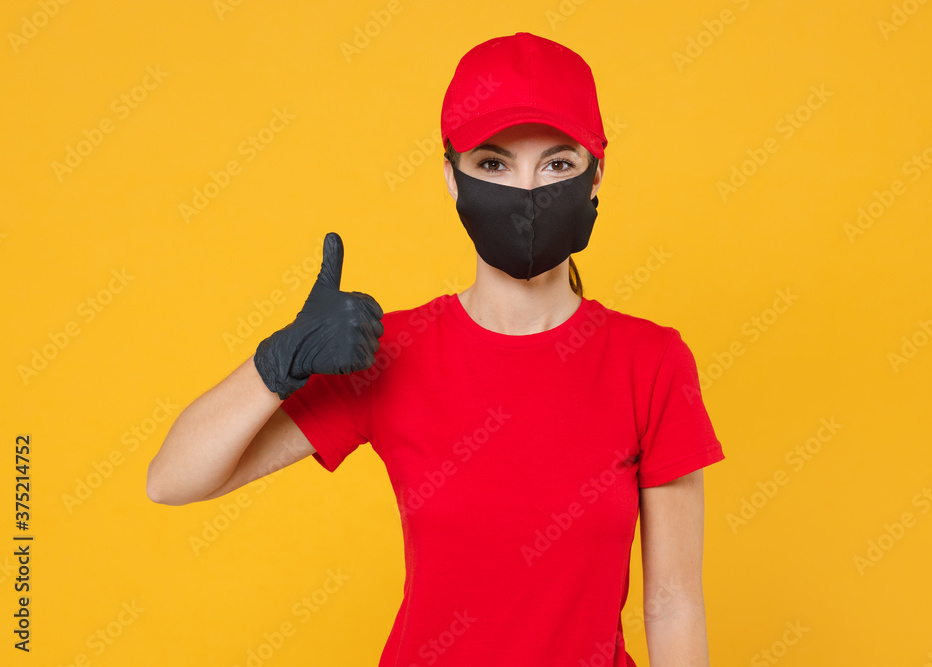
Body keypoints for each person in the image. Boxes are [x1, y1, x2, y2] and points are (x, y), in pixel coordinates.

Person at [147, 31, 725, 667]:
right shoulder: (388, 352)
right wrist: (275, 364)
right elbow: (173, 481)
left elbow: (673, 602)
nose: (528, 191)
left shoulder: (652, 362)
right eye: (494, 164)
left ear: (596, 176)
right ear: (452, 178)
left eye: (557, 164)